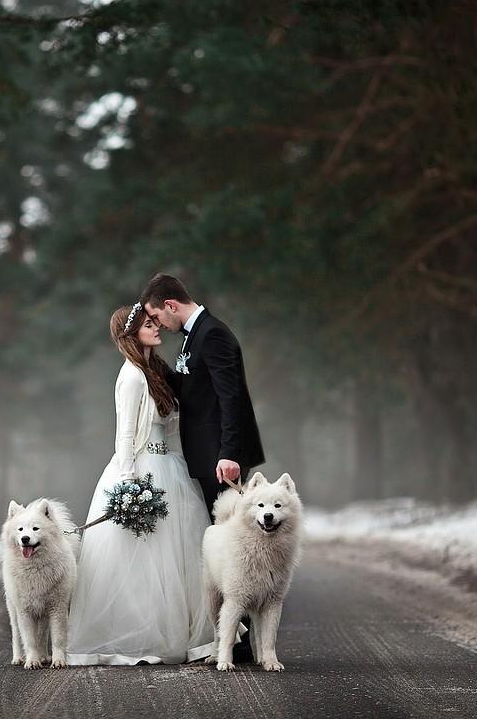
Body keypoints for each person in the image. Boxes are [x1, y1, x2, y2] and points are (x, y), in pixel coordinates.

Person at [65, 304, 214, 665]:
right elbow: (126, 433)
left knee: (178, 555)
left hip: (169, 468)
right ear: (131, 334)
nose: (157, 327)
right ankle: (143, 637)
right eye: (149, 324)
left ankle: (190, 634)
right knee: (145, 558)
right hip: (143, 469)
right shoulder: (132, 376)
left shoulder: (154, 371)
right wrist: (129, 483)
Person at [141, 273, 264, 662]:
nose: (158, 324)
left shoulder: (213, 334)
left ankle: (240, 644)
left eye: (157, 316)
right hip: (207, 455)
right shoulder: (194, 337)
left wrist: (229, 453)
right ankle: (232, 639)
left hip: (221, 459)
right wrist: (152, 366)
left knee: (236, 549)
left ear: (171, 306)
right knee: (226, 549)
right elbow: (196, 389)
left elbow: (231, 398)